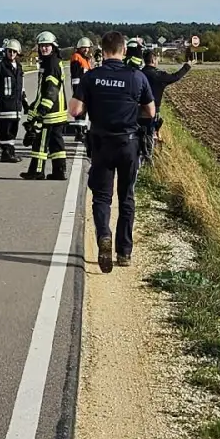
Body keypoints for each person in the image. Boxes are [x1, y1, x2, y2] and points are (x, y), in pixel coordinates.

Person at [68, 32, 155, 272]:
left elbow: (74, 111)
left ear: (102, 51)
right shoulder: (137, 77)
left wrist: (90, 105)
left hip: (101, 144)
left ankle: (103, 235)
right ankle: (124, 252)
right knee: (126, 197)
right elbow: (150, 111)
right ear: (123, 50)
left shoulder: (92, 77)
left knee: (102, 197)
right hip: (128, 144)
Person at [23, 31, 69, 181]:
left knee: (40, 143)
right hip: (58, 110)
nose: (44, 49)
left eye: (47, 46)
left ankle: (37, 171)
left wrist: (41, 111)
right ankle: (59, 171)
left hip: (50, 111)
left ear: (53, 47)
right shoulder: (53, 61)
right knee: (56, 143)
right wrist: (33, 108)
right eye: (42, 46)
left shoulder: (51, 64)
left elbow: (51, 91)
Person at [139, 46, 191, 162]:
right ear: (153, 60)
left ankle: (140, 153)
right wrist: (187, 66)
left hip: (138, 110)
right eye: (156, 59)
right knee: (150, 134)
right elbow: (176, 76)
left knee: (140, 133)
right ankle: (148, 158)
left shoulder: (138, 74)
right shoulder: (159, 76)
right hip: (153, 110)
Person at [0, 39, 26, 163]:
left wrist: (25, 102)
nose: (11, 53)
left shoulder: (19, 67)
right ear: (5, 52)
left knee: (14, 130)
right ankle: (5, 153)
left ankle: (10, 152)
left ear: (18, 53)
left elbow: (21, 87)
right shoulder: (0, 67)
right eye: (9, 51)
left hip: (16, 107)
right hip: (5, 105)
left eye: (14, 51)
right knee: (5, 130)